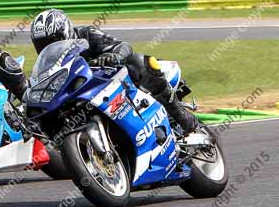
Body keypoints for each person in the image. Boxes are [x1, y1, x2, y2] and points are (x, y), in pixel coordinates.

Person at [29, 9, 200, 135]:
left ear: (64, 30)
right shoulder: (49, 63)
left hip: (119, 81)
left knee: (139, 61)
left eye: (52, 41)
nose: (47, 47)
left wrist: (112, 56)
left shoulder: (86, 34)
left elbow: (124, 46)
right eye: (41, 44)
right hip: (89, 97)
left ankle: (179, 114)